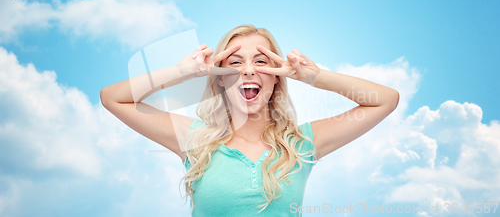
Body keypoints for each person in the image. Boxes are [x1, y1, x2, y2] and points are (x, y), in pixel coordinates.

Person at [100, 25, 400, 216]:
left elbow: (384, 99)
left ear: (276, 78)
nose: (247, 71)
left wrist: (316, 77)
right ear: (218, 79)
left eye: (260, 62)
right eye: (234, 63)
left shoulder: (302, 144)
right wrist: (181, 73)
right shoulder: (195, 140)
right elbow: (113, 97)